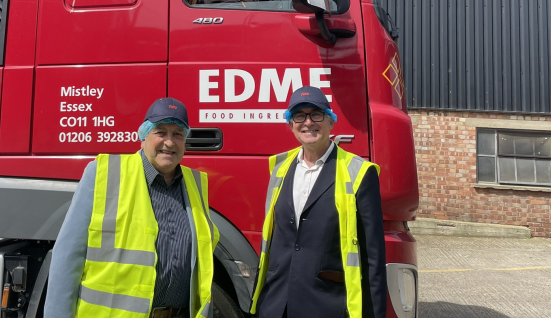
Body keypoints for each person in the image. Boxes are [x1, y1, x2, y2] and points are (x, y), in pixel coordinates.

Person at [44, 98, 219, 318]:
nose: (170, 142)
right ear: (143, 135)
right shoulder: (104, 173)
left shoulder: (195, 185)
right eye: (160, 132)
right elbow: (68, 256)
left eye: (178, 134)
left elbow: (202, 269)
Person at [251, 86, 387, 318]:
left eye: (316, 114)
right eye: (299, 116)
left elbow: (372, 256)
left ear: (331, 121)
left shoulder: (360, 172)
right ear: (290, 123)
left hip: (326, 306)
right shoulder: (280, 168)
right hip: (275, 304)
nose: (308, 122)